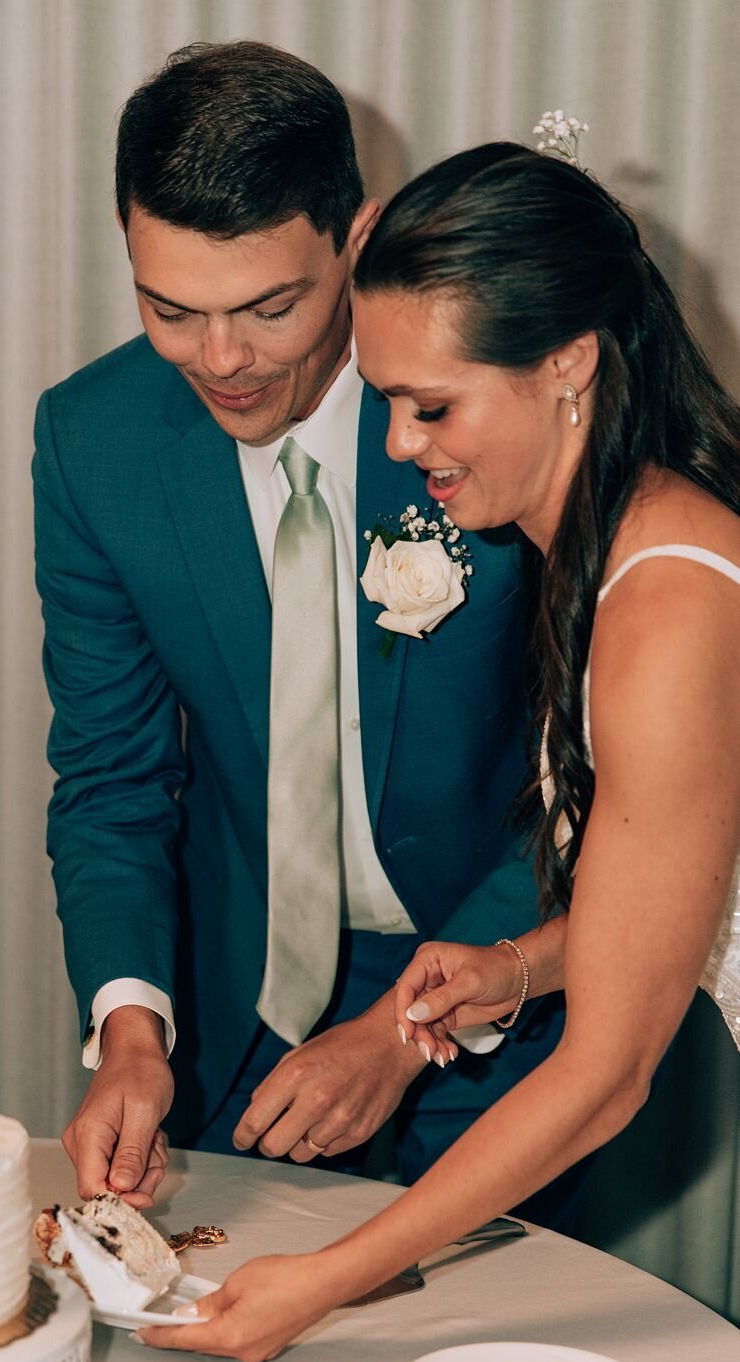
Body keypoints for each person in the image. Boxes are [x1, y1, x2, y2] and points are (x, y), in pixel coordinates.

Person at [141, 137, 740, 1362]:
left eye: (431, 405)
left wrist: (323, 1279)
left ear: (566, 362)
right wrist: (514, 964)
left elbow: (609, 1071)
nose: (400, 445)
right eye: (387, 399)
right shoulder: (621, 542)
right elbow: (671, 895)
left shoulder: (671, 597)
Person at [34, 44, 570, 1222]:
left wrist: (405, 1030)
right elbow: (112, 778)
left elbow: (595, 784)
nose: (219, 362)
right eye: (168, 310)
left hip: (508, 991)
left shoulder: (489, 415)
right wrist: (129, 1024)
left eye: (268, 307)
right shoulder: (95, 441)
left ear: (357, 238)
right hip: (237, 1007)